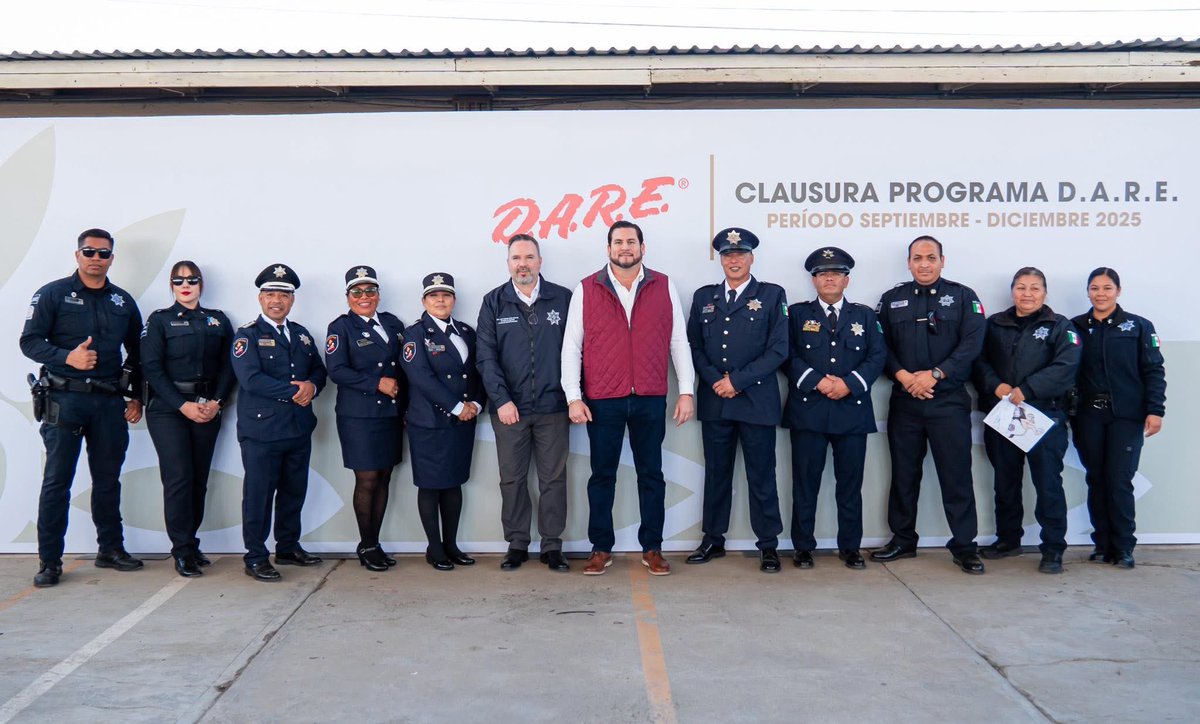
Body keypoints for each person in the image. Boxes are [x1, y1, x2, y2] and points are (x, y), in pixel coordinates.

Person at [561, 220, 696, 577]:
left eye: (631, 242)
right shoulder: (587, 288)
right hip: (603, 399)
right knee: (601, 475)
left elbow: (679, 341)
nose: (625, 248)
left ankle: (652, 547)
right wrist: (574, 396)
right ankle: (600, 548)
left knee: (652, 474)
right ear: (608, 249)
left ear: (642, 248)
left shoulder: (663, 286)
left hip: (650, 397)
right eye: (618, 242)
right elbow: (571, 347)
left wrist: (686, 390)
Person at [20, 228, 144, 587]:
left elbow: (139, 351)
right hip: (64, 399)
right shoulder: (53, 294)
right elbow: (28, 341)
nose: (95, 258)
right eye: (89, 251)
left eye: (103, 253)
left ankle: (110, 549)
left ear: (111, 259)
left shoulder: (122, 301)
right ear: (77, 255)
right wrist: (67, 357)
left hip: (108, 401)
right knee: (58, 481)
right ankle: (49, 561)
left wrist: (136, 395)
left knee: (108, 480)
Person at [871, 235, 987, 574]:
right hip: (905, 401)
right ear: (908, 262)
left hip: (948, 402)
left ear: (942, 261)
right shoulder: (892, 300)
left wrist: (935, 374)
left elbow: (972, 343)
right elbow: (881, 347)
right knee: (904, 476)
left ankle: (965, 546)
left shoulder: (964, 297)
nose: (924, 263)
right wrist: (905, 377)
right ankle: (903, 539)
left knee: (957, 477)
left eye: (931, 257)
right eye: (918, 258)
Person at [685, 227, 788, 573]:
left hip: (756, 400)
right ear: (721, 259)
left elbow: (779, 349)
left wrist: (738, 381)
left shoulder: (772, 295)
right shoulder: (704, 297)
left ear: (751, 258)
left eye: (740, 254)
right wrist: (717, 381)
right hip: (717, 401)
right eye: (728, 255)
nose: (734, 260)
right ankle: (713, 539)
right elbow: (693, 347)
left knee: (762, 476)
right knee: (717, 474)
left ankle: (769, 545)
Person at [973, 267, 1081, 574]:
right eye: (1021, 287)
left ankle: (1053, 549)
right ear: (1012, 291)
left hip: (1044, 416)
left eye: (1035, 288)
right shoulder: (995, 324)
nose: (1027, 294)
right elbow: (978, 360)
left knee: (1048, 484)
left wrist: (1027, 389)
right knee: (1004, 482)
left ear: (1045, 293)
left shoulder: (1061, 327)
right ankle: (1008, 540)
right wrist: (996, 384)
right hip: (1004, 414)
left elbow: (1066, 366)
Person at [783, 246, 885, 570]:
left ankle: (851, 547)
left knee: (850, 486)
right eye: (823, 274)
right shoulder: (797, 315)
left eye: (836, 273)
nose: (830, 278)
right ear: (814, 280)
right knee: (805, 484)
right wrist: (818, 381)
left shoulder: (865, 315)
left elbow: (877, 356)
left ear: (847, 280)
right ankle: (802, 547)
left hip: (852, 411)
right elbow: (786, 354)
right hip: (809, 411)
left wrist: (849, 383)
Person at [476, 235, 572, 572]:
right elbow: (486, 357)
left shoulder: (563, 298)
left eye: (529, 257)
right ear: (508, 264)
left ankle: (552, 546)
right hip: (510, 411)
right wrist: (501, 400)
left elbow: (577, 351)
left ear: (540, 262)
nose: (523, 264)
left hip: (554, 408)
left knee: (553, 479)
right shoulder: (494, 302)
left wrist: (573, 397)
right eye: (516, 258)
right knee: (512, 479)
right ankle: (517, 543)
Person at [231, 264, 327, 582]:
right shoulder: (247, 336)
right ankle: (256, 555)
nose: (277, 300)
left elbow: (318, 370)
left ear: (292, 300)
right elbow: (250, 379)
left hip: (298, 427)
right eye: (271, 294)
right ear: (260, 298)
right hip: (262, 430)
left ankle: (287, 546)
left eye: (283, 294)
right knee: (259, 494)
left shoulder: (300, 334)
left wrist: (312, 386)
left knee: (293, 491)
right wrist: (295, 391)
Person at [141, 260, 235, 578]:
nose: (186, 285)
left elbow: (229, 366)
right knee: (179, 478)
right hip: (169, 410)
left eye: (192, 280)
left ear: (201, 285)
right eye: (179, 280)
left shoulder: (218, 321)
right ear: (171, 285)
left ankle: (191, 545)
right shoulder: (159, 321)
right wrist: (183, 405)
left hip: (207, 407)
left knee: (198, 480)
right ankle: (181, 550)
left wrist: (216, 402)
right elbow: (151, 368)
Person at [1070, 267, 1166, 569]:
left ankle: (1124, 547)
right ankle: (1102, 544)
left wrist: (1155, 410)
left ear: (1118, 291)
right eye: (1095, 288)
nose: (1101, 294)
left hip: (1126, 416)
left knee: (1119, 480)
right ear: (1088, 292)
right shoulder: (1075, 328)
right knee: (1096, 479)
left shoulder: (1138, 326)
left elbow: (1153, 371)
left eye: (1107, 288)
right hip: (1088, 416)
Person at [325, 266, 408, 572]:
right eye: (357, 292)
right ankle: (367, 545)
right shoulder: (341, 328)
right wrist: (377, 382)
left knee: (385, 476)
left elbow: (403, 367)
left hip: (390, 413)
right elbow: (337, 370)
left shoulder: (392, 323)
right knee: (367, 478)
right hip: (358, 415)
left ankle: (374, 542)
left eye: (370, 291)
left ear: (378, 294)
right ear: (348, 297)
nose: (364, 297)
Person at [400, 273, 485, 571]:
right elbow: (420, 376)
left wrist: (475, 402)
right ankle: (434, 548)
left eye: (445, 295)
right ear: (424, 301)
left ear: (454, 300)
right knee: (431, 485)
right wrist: (456, 406)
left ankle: (452, 545)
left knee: (453, 484)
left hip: (463, 420)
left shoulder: (466, 331)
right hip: (430, 422)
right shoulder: (415, 334)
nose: (440, 300)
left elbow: (478, 371)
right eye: (434, 296)